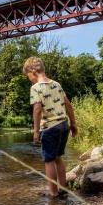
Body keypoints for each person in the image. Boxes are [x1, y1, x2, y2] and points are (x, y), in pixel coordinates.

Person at [23, 57, 78, 197]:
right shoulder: (57, 84)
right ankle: (63, 189)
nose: (28, 78)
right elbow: (68, 104)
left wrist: (35, 131)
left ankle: (53, 193)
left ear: (32, 71)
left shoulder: (35, 88)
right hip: (63, 125)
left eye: (27, 75)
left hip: (49, 127)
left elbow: (37, 109)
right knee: (58, 158)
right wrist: (73, 123)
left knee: (49, 161)